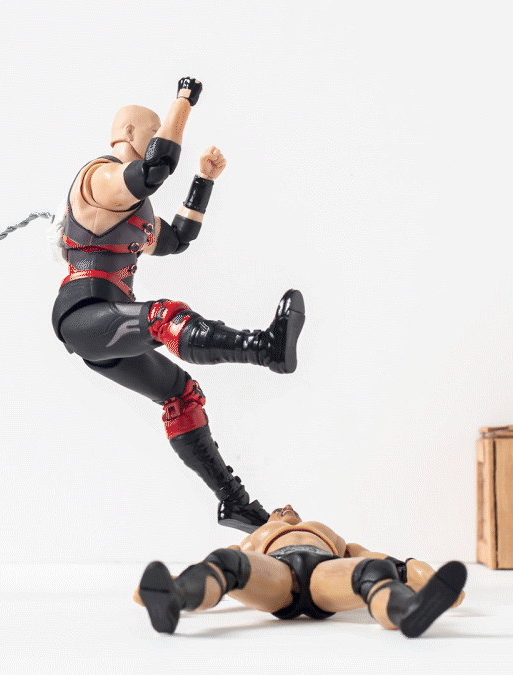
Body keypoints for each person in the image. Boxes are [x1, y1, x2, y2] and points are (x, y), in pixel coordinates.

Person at [51, 77, 305, 533]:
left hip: (112, 327)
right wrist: (184, 100)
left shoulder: (134, 209)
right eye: (154, 133)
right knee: (164, 317)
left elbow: (179, 239)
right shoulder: (100, 179)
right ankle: (263, 348)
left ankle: (234, 502)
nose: (161, 140)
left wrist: (203, 180)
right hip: (82, 315)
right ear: (129, 134)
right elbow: (155, 169)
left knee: (181, 395)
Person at [135, 505, 467, 638]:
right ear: (268, 518)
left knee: (374, 571)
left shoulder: (326, 532)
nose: (287, 506)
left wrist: (421, 576)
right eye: (278, 508)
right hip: (276, 572)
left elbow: (379, 559)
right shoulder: (256, 537)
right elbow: (213, 566)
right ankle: (177, 599)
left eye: (291, 506)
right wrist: (170, 585)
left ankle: (408, 610)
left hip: (327, 570)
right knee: (226, 563)